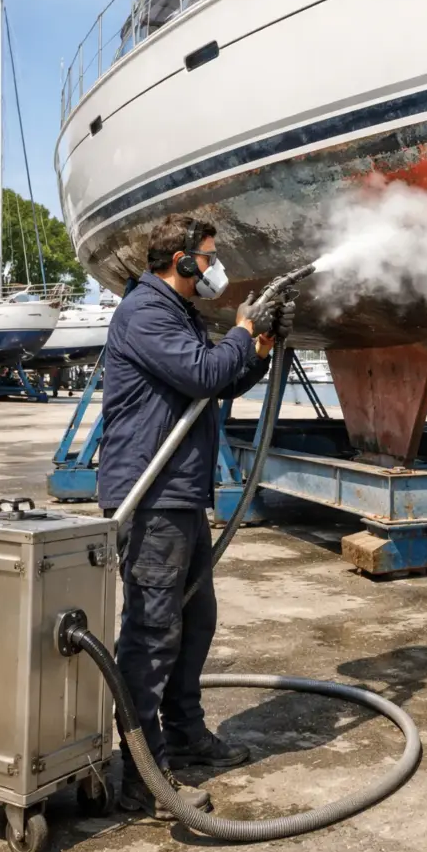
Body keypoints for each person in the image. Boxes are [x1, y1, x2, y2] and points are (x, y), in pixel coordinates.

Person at [97, 214, 294, 819]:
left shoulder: (178, 316)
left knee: (195, 620)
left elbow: (219, 385)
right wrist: (240, 331)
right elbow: (204, 372)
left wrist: (258, 349)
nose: (213, 267)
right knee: (153, 633)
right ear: (179, 261)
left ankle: (184, 732)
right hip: (150, 496)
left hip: (179, 492)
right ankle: (142, 775)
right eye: (207, 257)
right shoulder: (146, 312)